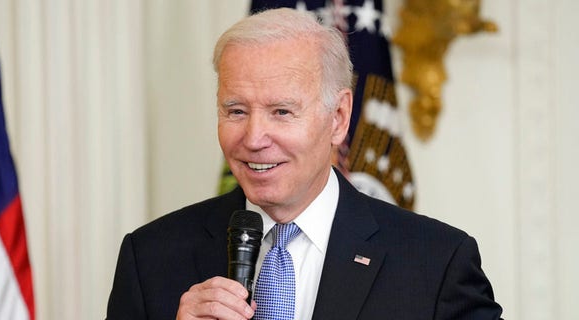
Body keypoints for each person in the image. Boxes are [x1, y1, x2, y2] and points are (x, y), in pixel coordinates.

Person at [106, 8, 502, 320]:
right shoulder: (150, 258)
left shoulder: (436, 263)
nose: (254, 139)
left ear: (339, 118)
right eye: (236, 110)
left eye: (281, 111)